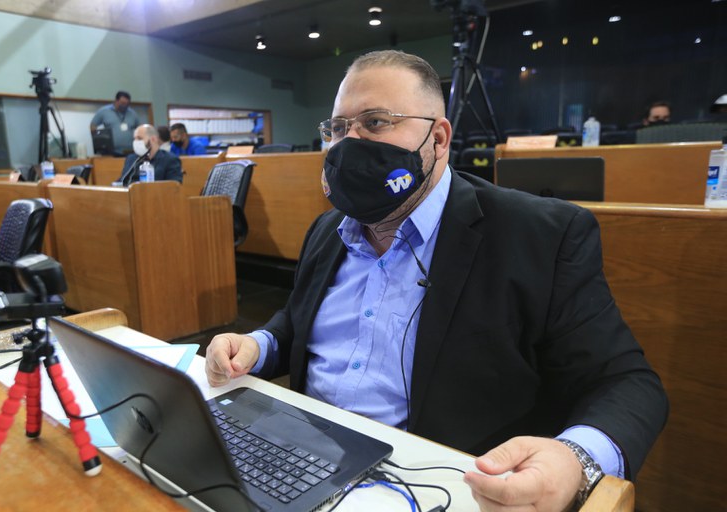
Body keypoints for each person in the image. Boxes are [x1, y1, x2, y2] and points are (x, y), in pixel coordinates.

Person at [205, 50, 668, 511]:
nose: (350, 143)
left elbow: (627, 383)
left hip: (439, 485)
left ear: (439, 138)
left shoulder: (540, 235)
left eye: (376, 122)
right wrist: (259, 344)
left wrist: (575, 459)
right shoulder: (327, 230)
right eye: (339, 128)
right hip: (300, 464)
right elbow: (299, 322)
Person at [117, 124, 182, 184]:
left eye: (139, 138)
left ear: (153, 139)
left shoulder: (170, 160)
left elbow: (173, 187)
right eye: (135, 139)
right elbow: (122, 181)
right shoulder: (131, 159)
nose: (136, 142)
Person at [90, 91, 141, 155]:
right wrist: (98, 140)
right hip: (110, 152)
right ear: (116, 101)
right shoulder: (104, 111)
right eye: (122, 103)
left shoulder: (132, 114)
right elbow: (93, 125)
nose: (124, 106)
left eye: (127, 104)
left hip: (130, 151)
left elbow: (140, 129)